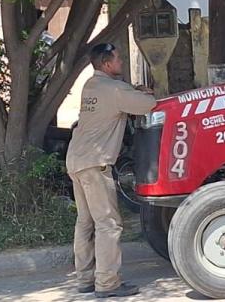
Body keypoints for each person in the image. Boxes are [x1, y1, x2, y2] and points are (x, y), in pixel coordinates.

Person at [66, 43, 155, 299]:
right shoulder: (115, 90)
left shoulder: (91, 86)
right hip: (95, 164)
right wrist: (142, 92)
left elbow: (121, 97)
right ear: (107, 64)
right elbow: (148, 104)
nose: (122, 62)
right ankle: (107, 283)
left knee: (85, 221)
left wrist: (132, 91)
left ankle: (84, 279)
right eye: (118, 59)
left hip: (76, 160)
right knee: (109, 224)